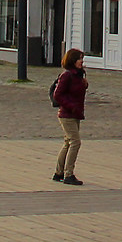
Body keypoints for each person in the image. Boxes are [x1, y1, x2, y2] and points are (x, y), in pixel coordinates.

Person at [51, 48, 88, 185]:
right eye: (79, 59)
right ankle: (69, 174)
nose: (81, 61)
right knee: (75, 142)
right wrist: (71, 106)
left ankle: (58, 172)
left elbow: (77, 91)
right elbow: (57, 95)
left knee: (68, 142)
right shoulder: (67, 75)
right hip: (67, 114)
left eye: (82, 59)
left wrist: (84, 84)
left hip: (76, 113)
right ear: (72, 60)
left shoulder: (78, 75)